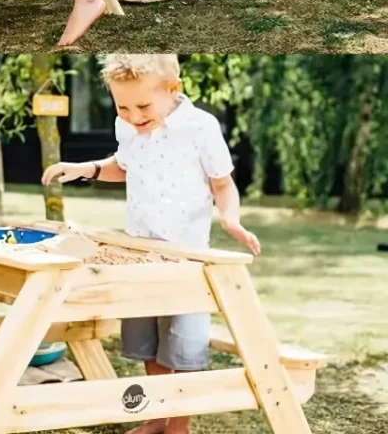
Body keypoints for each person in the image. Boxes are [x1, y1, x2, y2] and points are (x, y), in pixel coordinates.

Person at [42, 53, 261, 434]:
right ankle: (156, 418)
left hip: (187, 259)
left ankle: (179, 426)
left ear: (172, 89)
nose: (133, 115)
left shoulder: (200, 127)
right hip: (140, 254)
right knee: (146, 343)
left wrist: (230, 219)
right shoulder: (126, 126)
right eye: (122, 105)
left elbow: (222, 184)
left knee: (185, 349)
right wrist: (85, 169)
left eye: (143, 106)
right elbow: (124, 166)